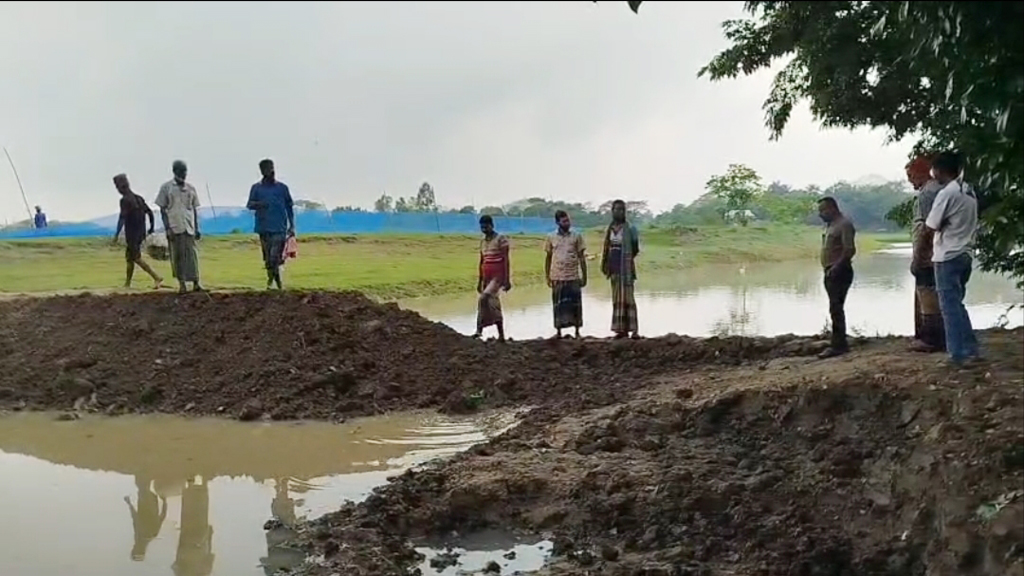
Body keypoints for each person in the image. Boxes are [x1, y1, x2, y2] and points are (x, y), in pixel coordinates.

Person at [925, 150, 981, 366]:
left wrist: (921, 254)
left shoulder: (947, 193)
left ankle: (958, 354)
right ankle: (970, 349)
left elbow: (930, 226)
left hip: (947, 255)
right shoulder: (969, 192)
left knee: (948, 307)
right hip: (965, 253)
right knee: (957, 304)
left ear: (938, 170)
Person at [906, 156, 945, 353]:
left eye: (910, 175)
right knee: (933, 294)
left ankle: (931, 340)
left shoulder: (927, 195)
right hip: (939, 252)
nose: (909, 180)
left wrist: (919, 257)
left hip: (928, 254)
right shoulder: (939, 191)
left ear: (920, 173)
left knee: (927, 294)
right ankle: (934, 337)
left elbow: (927, 229)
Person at [155, 160, 204, 294]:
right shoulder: (166, 188)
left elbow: (194, 209)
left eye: (185, 171)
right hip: (174, 226)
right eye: (181, 171)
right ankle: (182, 284)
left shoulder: (191, 188)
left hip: (189, 226)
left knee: (192, 256)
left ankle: (196, 283)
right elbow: (163, 209)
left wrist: (197, 228)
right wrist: (167, 228)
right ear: (175, 171)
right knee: (177, 256)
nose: (184, 174)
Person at [246, 159, 295, 290]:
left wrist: (292, 226)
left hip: (280, 228)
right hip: (263, 227)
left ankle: (273, 284)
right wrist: (260, 204)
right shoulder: (256, 188)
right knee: (268, 259)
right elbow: (249, 205)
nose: (271, 173)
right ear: (262, 172)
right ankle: (276, 283)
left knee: (274, 257)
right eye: (268, 171)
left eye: (272, 170)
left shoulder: (282, 188)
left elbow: (289, 207)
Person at [817, 196, 857, 358]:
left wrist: (835, 267)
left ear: (832, 208)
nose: (820, 214)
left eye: (823, 210)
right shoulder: (830, 226)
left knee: (836, 307)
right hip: (830, 271)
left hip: (840, 271)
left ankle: (839, 345)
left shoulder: (844, 225)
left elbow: (849, 250)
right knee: (834, 307)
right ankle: (838, 341)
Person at [112, 173, 163, 289]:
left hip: (132, 234)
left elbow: (122, 218)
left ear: (120, 187)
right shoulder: (138, 198)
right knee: (129, 258)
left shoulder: (125, 200)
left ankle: (156, 277)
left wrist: (116, 234)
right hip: (141, 232)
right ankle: (127, 283)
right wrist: (151, 227)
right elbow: (150, 212)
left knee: (135, 258)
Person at [545, 210, 588, 339]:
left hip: (573, 276)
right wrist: (547, 276)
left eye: (568, 220)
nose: (567, 223)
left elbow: (581, 257)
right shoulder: (551, 237)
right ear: (557, 222)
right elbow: (548, 258)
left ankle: (577, 332)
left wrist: (584, 276)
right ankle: (558, 332)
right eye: (564, 221)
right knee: (558, 305)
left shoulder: (577, 236)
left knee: (575, 305)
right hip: (557, 276)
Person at [600, 199, 640, 339]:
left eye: (621, 210)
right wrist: (606, 265)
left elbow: (635, 249)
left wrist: (626, 260)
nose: (618, 212)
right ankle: (620, 330)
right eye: (616, 209)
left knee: (629, 299)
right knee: (617, 299)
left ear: (625, 212)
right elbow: (607, 248)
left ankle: (634, 330)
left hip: (627, 270)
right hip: (614, 268)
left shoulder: (630, 229)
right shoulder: (610, 229)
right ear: (612, 211)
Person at [474, 214, 511, 341]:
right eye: (482, 227)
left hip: (497, 276)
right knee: (488, 303)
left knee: (484, 298)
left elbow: (506, 260)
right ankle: (490, 333)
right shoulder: (482, 242)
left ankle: (482, 331)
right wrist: (480, 281)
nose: (484, 229)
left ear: (492, 225)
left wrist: (507, 279)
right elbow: (482, 261)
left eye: (486, 227)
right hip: (486, 277)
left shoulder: (501, 239)